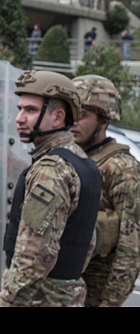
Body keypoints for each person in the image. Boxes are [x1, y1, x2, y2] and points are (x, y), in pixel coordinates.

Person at [0, 70, 101, 307]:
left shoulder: (50, 170)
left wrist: (6, 302)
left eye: (30, 110)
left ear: (58, 118)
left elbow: (33, 257)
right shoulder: (82, 162)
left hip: (40, 298)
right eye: (20, 109)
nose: (19, 118)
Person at [71, 75, 140, 307]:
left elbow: (131, 247)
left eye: (82, 116)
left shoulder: (121, 167)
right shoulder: (66, 158)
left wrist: (110, 302)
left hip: (95, 291)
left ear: (104, 121)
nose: (73, 122)